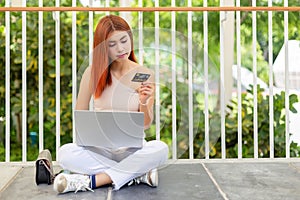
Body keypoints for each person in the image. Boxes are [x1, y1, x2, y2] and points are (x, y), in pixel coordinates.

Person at [53, 15, 169, 194]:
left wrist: (144, 103)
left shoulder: (144, 74)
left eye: (124, 40)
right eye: (112, 44)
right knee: (65, 153)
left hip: (131, 149)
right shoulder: (93, 72)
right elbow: (80, 114)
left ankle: (93, 180)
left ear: (130, 38)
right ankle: (136, 175)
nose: (121, 48)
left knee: (161, 149)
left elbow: (146, 124)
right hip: (100, 149)